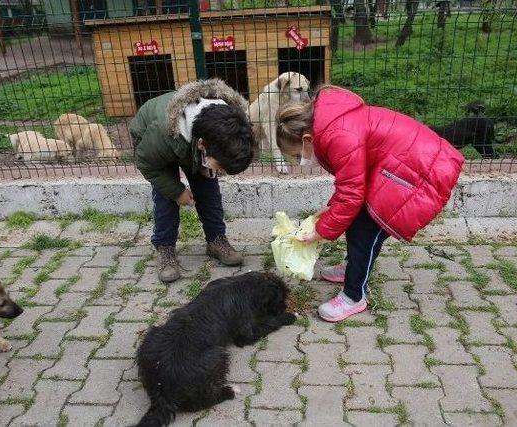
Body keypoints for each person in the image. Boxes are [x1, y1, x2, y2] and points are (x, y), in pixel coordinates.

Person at [276, 86, 464, 322]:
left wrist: (320, 231)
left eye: (296, 155)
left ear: (306, 139)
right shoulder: (329, 126)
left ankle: (354, 296)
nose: (298, 161)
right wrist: (332, 208)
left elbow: (352, 194)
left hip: (419, 172)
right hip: (402, 166)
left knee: (365, 232)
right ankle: (352, 268)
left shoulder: (337, 136)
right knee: (356, 224)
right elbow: (352, 181)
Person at [130, 79, 254, 282]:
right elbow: (146, 163)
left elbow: (224, 154)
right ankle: (165, 249)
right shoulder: (161, 132)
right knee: (166, 198)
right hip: (154, 145)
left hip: (191, 140)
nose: (220, 171)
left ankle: (216, 240)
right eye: (220, 166)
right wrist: (177, 192)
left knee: (209, 191)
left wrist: (210, 168)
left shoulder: (231, 123)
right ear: (202, 146)